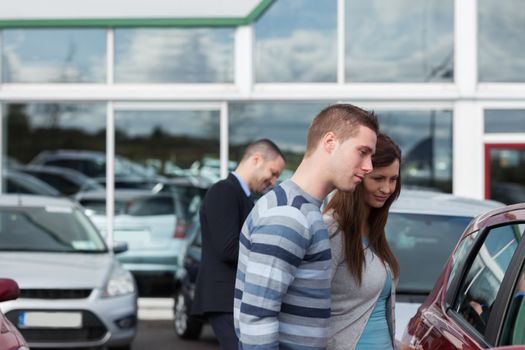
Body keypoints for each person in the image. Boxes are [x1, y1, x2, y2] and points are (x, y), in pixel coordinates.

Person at [234, 104, 379, 349]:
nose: (369, 167)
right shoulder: (289, 215)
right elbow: (257, 319)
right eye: (362, 152)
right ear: (330, 142)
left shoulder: (303, 209)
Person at [192, 139, 286, 350]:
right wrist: (271, 255)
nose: (273, 181)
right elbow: (227, 249)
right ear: (256, 159)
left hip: (233, 298)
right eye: (273, 173)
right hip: (225, 299)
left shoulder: (243, 196)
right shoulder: (223, 191)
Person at [323, 133, 402, 350]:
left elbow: (367, 312)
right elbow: (307, 310)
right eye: (378, 178)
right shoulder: (332, 230)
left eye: (393, 179)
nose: (387, 189)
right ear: (358, 175)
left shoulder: (375, 232)